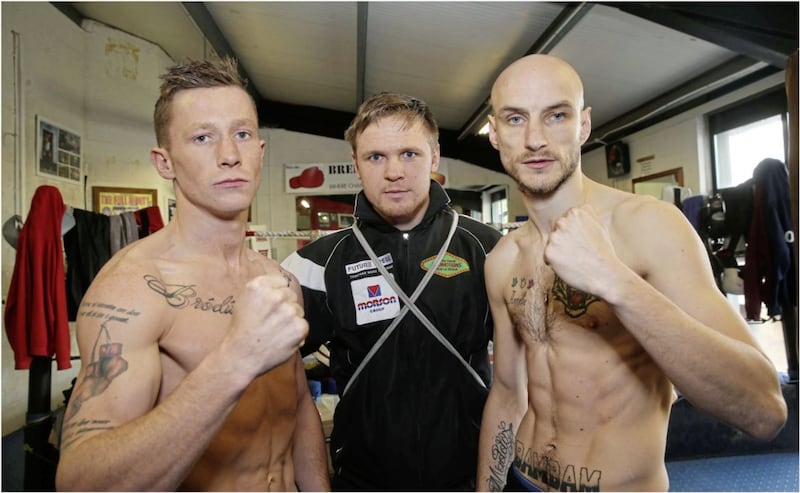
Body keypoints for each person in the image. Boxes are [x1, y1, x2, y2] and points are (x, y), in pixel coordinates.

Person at [476, 54, 788, 492]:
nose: (534, 139)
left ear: (583, 126)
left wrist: (615, 281)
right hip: (522, 481)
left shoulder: (649, 226)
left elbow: (764, 410)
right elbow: (508, 394)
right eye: (514, 119)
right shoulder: (502, 259)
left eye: (556, 115)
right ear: (495, 133)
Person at [55, 57, 330, 492]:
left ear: (259, 152)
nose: (228, 155)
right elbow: (82, 483)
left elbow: (296, 408)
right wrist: (234, 361)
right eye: (203, 138)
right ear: (164, 163)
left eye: (241, 134)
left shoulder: (278, 280)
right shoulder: (136, 287)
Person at [282, 92, 503, 490]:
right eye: (376, 157)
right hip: (362, 481)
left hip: (466, 479)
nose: (394, 172)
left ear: (434, 158)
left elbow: (530, 375)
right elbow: (271, 377)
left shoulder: (491, 250)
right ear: (356, 165)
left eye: (409, 154)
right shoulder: (316, 265)